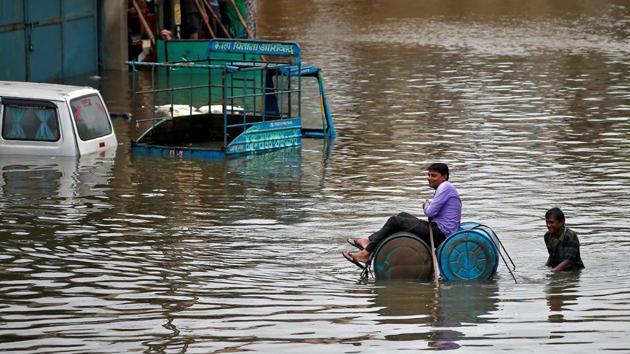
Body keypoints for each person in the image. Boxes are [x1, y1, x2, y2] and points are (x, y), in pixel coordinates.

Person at [343, 163, 462, 269]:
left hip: (441, 233)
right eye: (428, 175)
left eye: (434, 175)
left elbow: (430, 212)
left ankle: (366, 253)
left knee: (395, 221)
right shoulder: (444, 188)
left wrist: (426, 204)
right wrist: (429, 205)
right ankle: (369, 241)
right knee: (402, 215)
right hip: (437, 228)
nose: (429, 178)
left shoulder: (445, 187)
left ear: (445, 176)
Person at [544, 207, 585, 272]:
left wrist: (551, 273)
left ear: (561, 222)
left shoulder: (570, 236)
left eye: (552, 222)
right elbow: (552, 256)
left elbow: (568, 262)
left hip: (573, 271)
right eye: (547, 222)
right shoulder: (547, 236)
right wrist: (544, 268)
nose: (548, 225)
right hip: (558, 269)